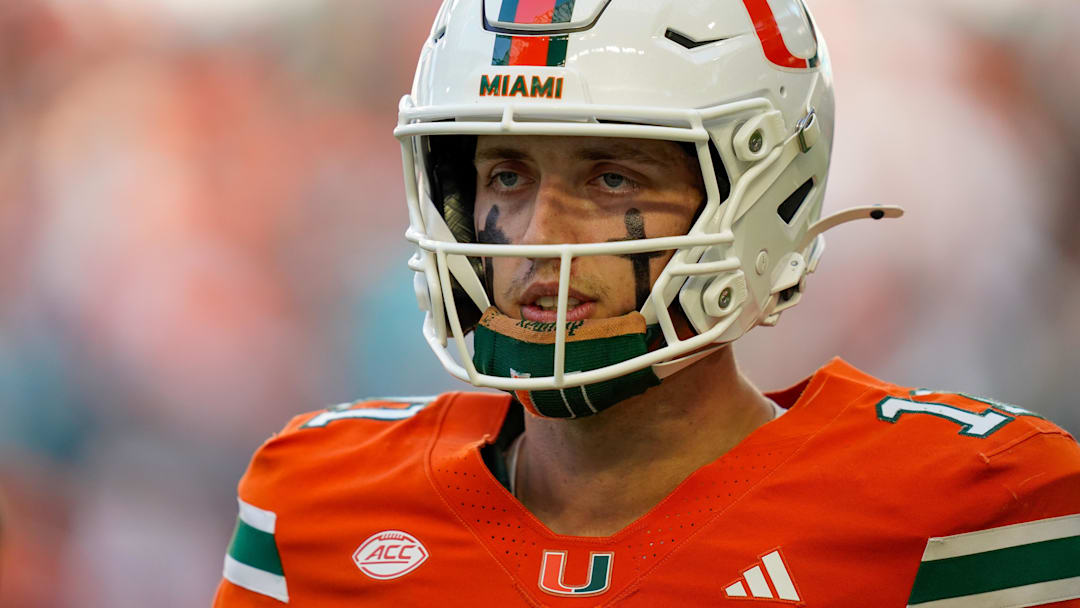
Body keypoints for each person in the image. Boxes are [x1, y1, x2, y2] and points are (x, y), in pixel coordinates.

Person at [213, 0, 1080, 606]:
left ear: (762, 189)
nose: (541, 235)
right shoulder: (319, 501)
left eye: (611, 175)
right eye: (506, 176)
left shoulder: (972, 507)